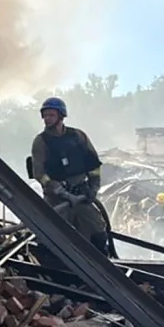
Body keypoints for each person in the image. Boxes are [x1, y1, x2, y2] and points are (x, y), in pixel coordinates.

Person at [30, 97, 110, 254]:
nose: (47, 119)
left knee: (97, 229)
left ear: (61, 116)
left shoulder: (78, 136)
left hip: (81, 195)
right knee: (51, 236)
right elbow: (39, 173)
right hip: (56, 200)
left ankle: (102, 265)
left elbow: (93, 165)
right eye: (45, 115)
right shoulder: (41, 142)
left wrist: (93, 188)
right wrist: (56, 188)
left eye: (51, 115)